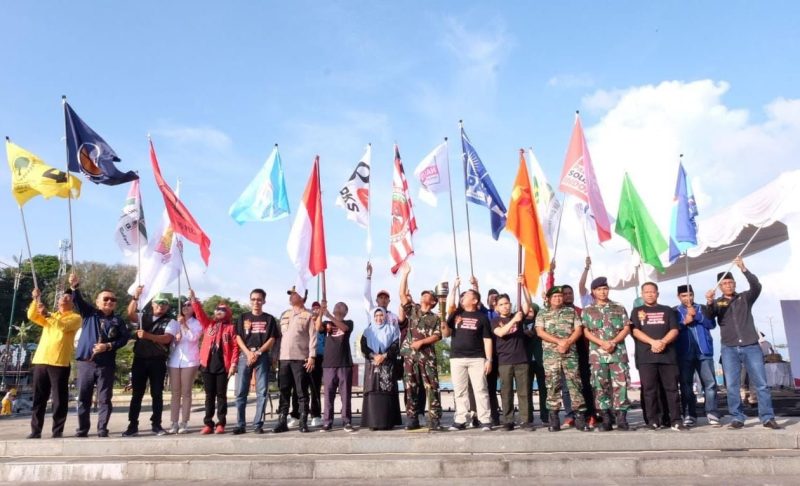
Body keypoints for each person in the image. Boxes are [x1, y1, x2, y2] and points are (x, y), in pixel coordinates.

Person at [704, 257, 781, 430]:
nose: (728, 286)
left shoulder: (745, 298)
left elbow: (757, 286)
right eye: (725, 283)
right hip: (729, 348)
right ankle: (737, 417)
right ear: (720, 286)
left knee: (761, 383)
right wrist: (709, 302)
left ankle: (767, 417)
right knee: (732, 385)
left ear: (735, 284)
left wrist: (743, 269)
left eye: (731, 282)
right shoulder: (718, 303)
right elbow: (710, 318)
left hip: (751, 345)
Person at [70, 272, 130, 438]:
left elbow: (124, 339)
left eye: (113, 300)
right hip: (86, 363)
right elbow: (78, 301)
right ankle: (82, 429)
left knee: (104, 399)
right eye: (106, 299)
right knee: (83, 398)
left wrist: (108, 346)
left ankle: (102, 428)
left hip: (106, 364)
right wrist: (75, 287)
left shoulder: (118, 321)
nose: (109, 302)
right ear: (97, 302)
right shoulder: (90, 314)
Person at [26, 287, 81, 439]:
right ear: (57, 302)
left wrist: (47, 315)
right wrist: (36, 299)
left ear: (72, 304)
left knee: (59, 399)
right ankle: (35, 430)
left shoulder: (75, 318)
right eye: (62, 297)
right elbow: (32, 315)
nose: (64, 299)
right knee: (39, 398)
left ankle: (57, 430)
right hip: (41, 360)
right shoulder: (51, 316)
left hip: (59, 362)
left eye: (68, 298)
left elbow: (63, 327)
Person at [631, 282, 684, 431]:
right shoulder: (637, 311)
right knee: (649, 390)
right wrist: (653, 342)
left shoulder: (667, 310)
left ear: (657, 293)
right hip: (646, 357)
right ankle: (652, 420)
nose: (649, 294)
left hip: (667, 357)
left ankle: (675, 420)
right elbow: (635, 331)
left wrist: (663, 342)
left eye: (652, 292)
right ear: (642, 294)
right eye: (646, 292)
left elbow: (674, 330)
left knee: (672, 389)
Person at [581, 277, 632, 431]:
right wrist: (601, 343)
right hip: (598, 355)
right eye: (599, 289)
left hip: (617, 353)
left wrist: (614, 342)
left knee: (620, 385)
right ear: (593, 292)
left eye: (605, 288)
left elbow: (626, 328)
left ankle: (622, 418)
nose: (602, 292)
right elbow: (585, 331)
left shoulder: (619, 307)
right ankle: (606, 419)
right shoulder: (588, 310)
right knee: (600, 386)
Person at [535, 286, 588, 432]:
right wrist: (559, 342)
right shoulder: (542, 313)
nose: (558, 298)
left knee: (575, 385)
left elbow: (578, 329)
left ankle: (580, 418)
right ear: (549, 298)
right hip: (551, 356)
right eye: (555, 296)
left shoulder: (570, 312)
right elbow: (540, 332)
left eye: (560, 296)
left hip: (569, 354)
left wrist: (567, 342)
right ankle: (554, 419)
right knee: (552, 386)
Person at [124, 290, 175, 437]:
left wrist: (148, 336)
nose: (161, 306)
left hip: (157, 360)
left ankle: (157, 424)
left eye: (164, 303)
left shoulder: (170, 321)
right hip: (140, 359)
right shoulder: (142, 317)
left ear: (168, 306)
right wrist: (136, 297)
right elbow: (130, 313)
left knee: (157, 393)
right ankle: (132, 425)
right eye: (158, 302)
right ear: (152, 304)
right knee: (137, 394)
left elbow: (167, 338)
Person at [398, 263, 443, 431]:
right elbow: (402, 295)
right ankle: (412, 417)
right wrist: (405, 274)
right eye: (424, 294)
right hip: (410, 355)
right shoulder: (414, 310)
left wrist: (422, 342)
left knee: (431, 386)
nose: (424, 295)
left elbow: (438, 335)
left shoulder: (435, 318)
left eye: (428, 295)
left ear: (433, 302)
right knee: (410, 386)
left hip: (427, 356)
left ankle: (434, 419)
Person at [443, 283, 494, 432]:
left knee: (480, 389)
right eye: (462, 295)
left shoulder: (482, 317)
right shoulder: (456, 314)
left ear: (474, 300)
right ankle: (460, 420)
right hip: (457, 358)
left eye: (467, 295)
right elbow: (446, 332)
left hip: (477, 358)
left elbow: (487, 340)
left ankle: (485, 419)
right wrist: (453, 288)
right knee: (460, 391)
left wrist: (489, 359)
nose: (463, 297)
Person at [190, 290, 239, 434]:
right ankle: (208, 423)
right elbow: (199, 314)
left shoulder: (231, 328)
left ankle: (221, 423)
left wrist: (234, 364)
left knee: (221, 395)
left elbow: (236, 347)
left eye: (222, 310)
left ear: (228, 313)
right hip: (207, 364)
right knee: (209, 395)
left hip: (223, 365)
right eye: (217, 309)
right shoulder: (209, 325)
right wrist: (194, 300)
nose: (218, 311)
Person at [233, 288, 279, 435]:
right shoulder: (242, 317)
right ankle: (240, 424)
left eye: (259, 299)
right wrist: (248, 353)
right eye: (253, 299)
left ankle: (258, 424)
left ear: (264, 301)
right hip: (244, 356)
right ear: (250, 300)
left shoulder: (269, 319)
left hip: (262, 355)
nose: (256, 302)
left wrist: (258, 352)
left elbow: (272, 339)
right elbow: (238, 337)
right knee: (241, 392)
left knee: (262, 392)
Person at [674, 284, 719, 427]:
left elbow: (712, 324)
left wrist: (697, 316)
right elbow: (671, 329)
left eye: (690, 295)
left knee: (710, 384)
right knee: (686, 385)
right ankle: (689, 414)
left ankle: (712, 412)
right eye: (684, 296)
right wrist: (683, 322)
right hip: (684, 353)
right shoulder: (674, 311)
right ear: (679, 297)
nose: (688, 298)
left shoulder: (702, 308)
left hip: (704, 352)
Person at [273, 286, 316, 434]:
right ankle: (282, 421)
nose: (291, 296)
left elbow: (313, 337)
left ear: (302, 297)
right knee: (284, 390)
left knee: (301, 392)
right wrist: (275, 356)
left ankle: (303, 422)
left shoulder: (308, 315)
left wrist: (312, 356)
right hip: (284, 358)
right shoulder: (285, 314)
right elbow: (280, 338)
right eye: (290, 294)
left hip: (300, 359)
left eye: (294, 294)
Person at [492, 293, 531, 430]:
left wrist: (524, 286)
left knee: (524, 392)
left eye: (506, 303)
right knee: (506, 392)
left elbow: (528, 303)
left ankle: (525, 420)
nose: (504, 306)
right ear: (496, 307)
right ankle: (508, 420)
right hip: (504, 361)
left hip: (521, 359)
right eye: (501, 304)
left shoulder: (518, 316)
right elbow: (501, 333)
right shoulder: (495, 321)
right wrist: (514, 320)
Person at [361, 307, 403, 430]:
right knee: (373, 390)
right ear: (373, 317)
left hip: (387, 364)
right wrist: (374, 355)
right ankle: (373, 423)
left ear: (385, 316)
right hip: (372, 365)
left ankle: (387, 422)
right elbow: (364, 347)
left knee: (386, 391)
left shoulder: (392, 329)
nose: (379, 318)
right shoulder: (367, 331)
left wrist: (384, 356)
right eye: (376, 316)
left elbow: (395, 346)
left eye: (381, 315)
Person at [165, 299, 203, 434]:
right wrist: (175, 339)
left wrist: (185, 326)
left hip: (190, 360)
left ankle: (184, 422)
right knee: (175, 393)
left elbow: (193, 338)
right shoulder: (173, 322)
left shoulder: (197, 323)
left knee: (186, 392)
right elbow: (168, 340)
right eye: (184, 305)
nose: (186, 307)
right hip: (175, 360)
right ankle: (174, 422)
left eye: (189, 305)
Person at [317, 301, 354, 432]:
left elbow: (344, 329)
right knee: (328, 395)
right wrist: (322, 313)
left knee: (345, 395)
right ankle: (327, 422)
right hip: (328, 364)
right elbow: (317, 328)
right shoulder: (327, 324)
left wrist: (330, 316)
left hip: (344, 364)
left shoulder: (349, 322)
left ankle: (347, 421)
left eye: (341, 306)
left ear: (345, 311)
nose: (338, 307)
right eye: (336, 306)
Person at [308, 301, 324, 427]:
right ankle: (297, 414)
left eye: (318, 309)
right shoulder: (306, 323)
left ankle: (316, 414)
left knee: (315, 388)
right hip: (305, 357)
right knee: (300, 389)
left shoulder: (323, 325)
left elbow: (318, 328)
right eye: (313, 309)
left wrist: (320, 315)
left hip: (318, 358)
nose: (315, 311)